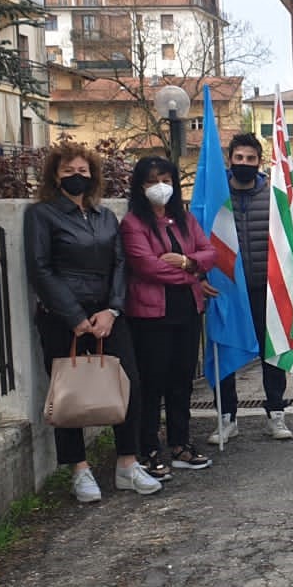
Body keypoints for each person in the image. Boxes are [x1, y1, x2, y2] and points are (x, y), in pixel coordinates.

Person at [24, 142, 161, 501]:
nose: (76, 176)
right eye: (68, 170)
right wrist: (75, 317)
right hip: (62, 318)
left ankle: (127, 465)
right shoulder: (40, 215)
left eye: (82, 171)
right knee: (68, 393)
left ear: (93, 175)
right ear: (55, 175)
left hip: (108, 316)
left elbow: (120, 264)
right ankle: (79, 470)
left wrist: (112, 310)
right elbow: (40, 268)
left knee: (128, 384)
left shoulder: (104, 216)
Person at [121, 157, 217, 480]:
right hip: (151, 317)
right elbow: (147, 267)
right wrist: (192, 271)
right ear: (140, 186)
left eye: (164, 178)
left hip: (187, 311)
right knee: (152, 383)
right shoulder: (134, 223)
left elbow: (210, 254)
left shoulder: (184, 219)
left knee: (181, 381)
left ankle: (180, 444)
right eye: (151, 180)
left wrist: (187, 263)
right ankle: (147, 448)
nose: (159, 186)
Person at [208, 132, 293, 444]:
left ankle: (276, 414)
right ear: (230, 159)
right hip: (228, 291)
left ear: (259, 162)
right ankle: (227, 417)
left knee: (273, 353)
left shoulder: (273, 198)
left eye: (251, 159)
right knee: (226, 351)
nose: (244, 163)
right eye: (238, 158)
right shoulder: (217, 197)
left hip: (265, 290)